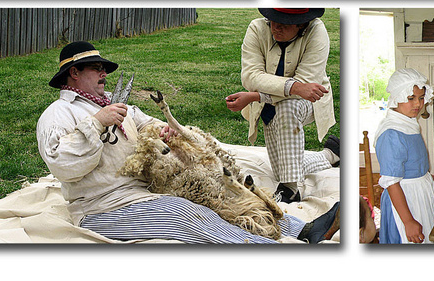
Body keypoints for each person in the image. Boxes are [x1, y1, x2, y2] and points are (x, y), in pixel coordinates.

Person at [37, 41, 337, 242]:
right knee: (184, 212)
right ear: (73, 73)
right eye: (96, 68)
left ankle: (303, 230)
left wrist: (166, 131)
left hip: (142, 194)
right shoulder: (58, 114)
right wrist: (96, 123)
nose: (104, 73)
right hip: (101, 209)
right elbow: (64, 166)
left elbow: (147, 123)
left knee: (220, 196)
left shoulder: (113, 104)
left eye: (104, 68)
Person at [225, 9, 340, 204]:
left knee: (289, 107)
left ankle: (292, 190)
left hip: (309, 100)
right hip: (270, 104)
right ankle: (331, 154)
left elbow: (306, 86)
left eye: (285, 23)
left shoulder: (317, 31)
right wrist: (290, 87)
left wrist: (254, 96)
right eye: (273, 21)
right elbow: (250, 76)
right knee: (284, 169)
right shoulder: (256, 27)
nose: (276, 27)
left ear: (302, 24)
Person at [375, 69, 434, 244]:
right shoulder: (391, 133)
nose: (417, 104)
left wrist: (423, 175)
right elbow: (391, 181)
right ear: (397, 97)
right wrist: (408, 221)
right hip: (405, 199)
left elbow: (411, 158)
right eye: (411, 98)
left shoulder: (408, 122)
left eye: (420, 98)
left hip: (419, 191)